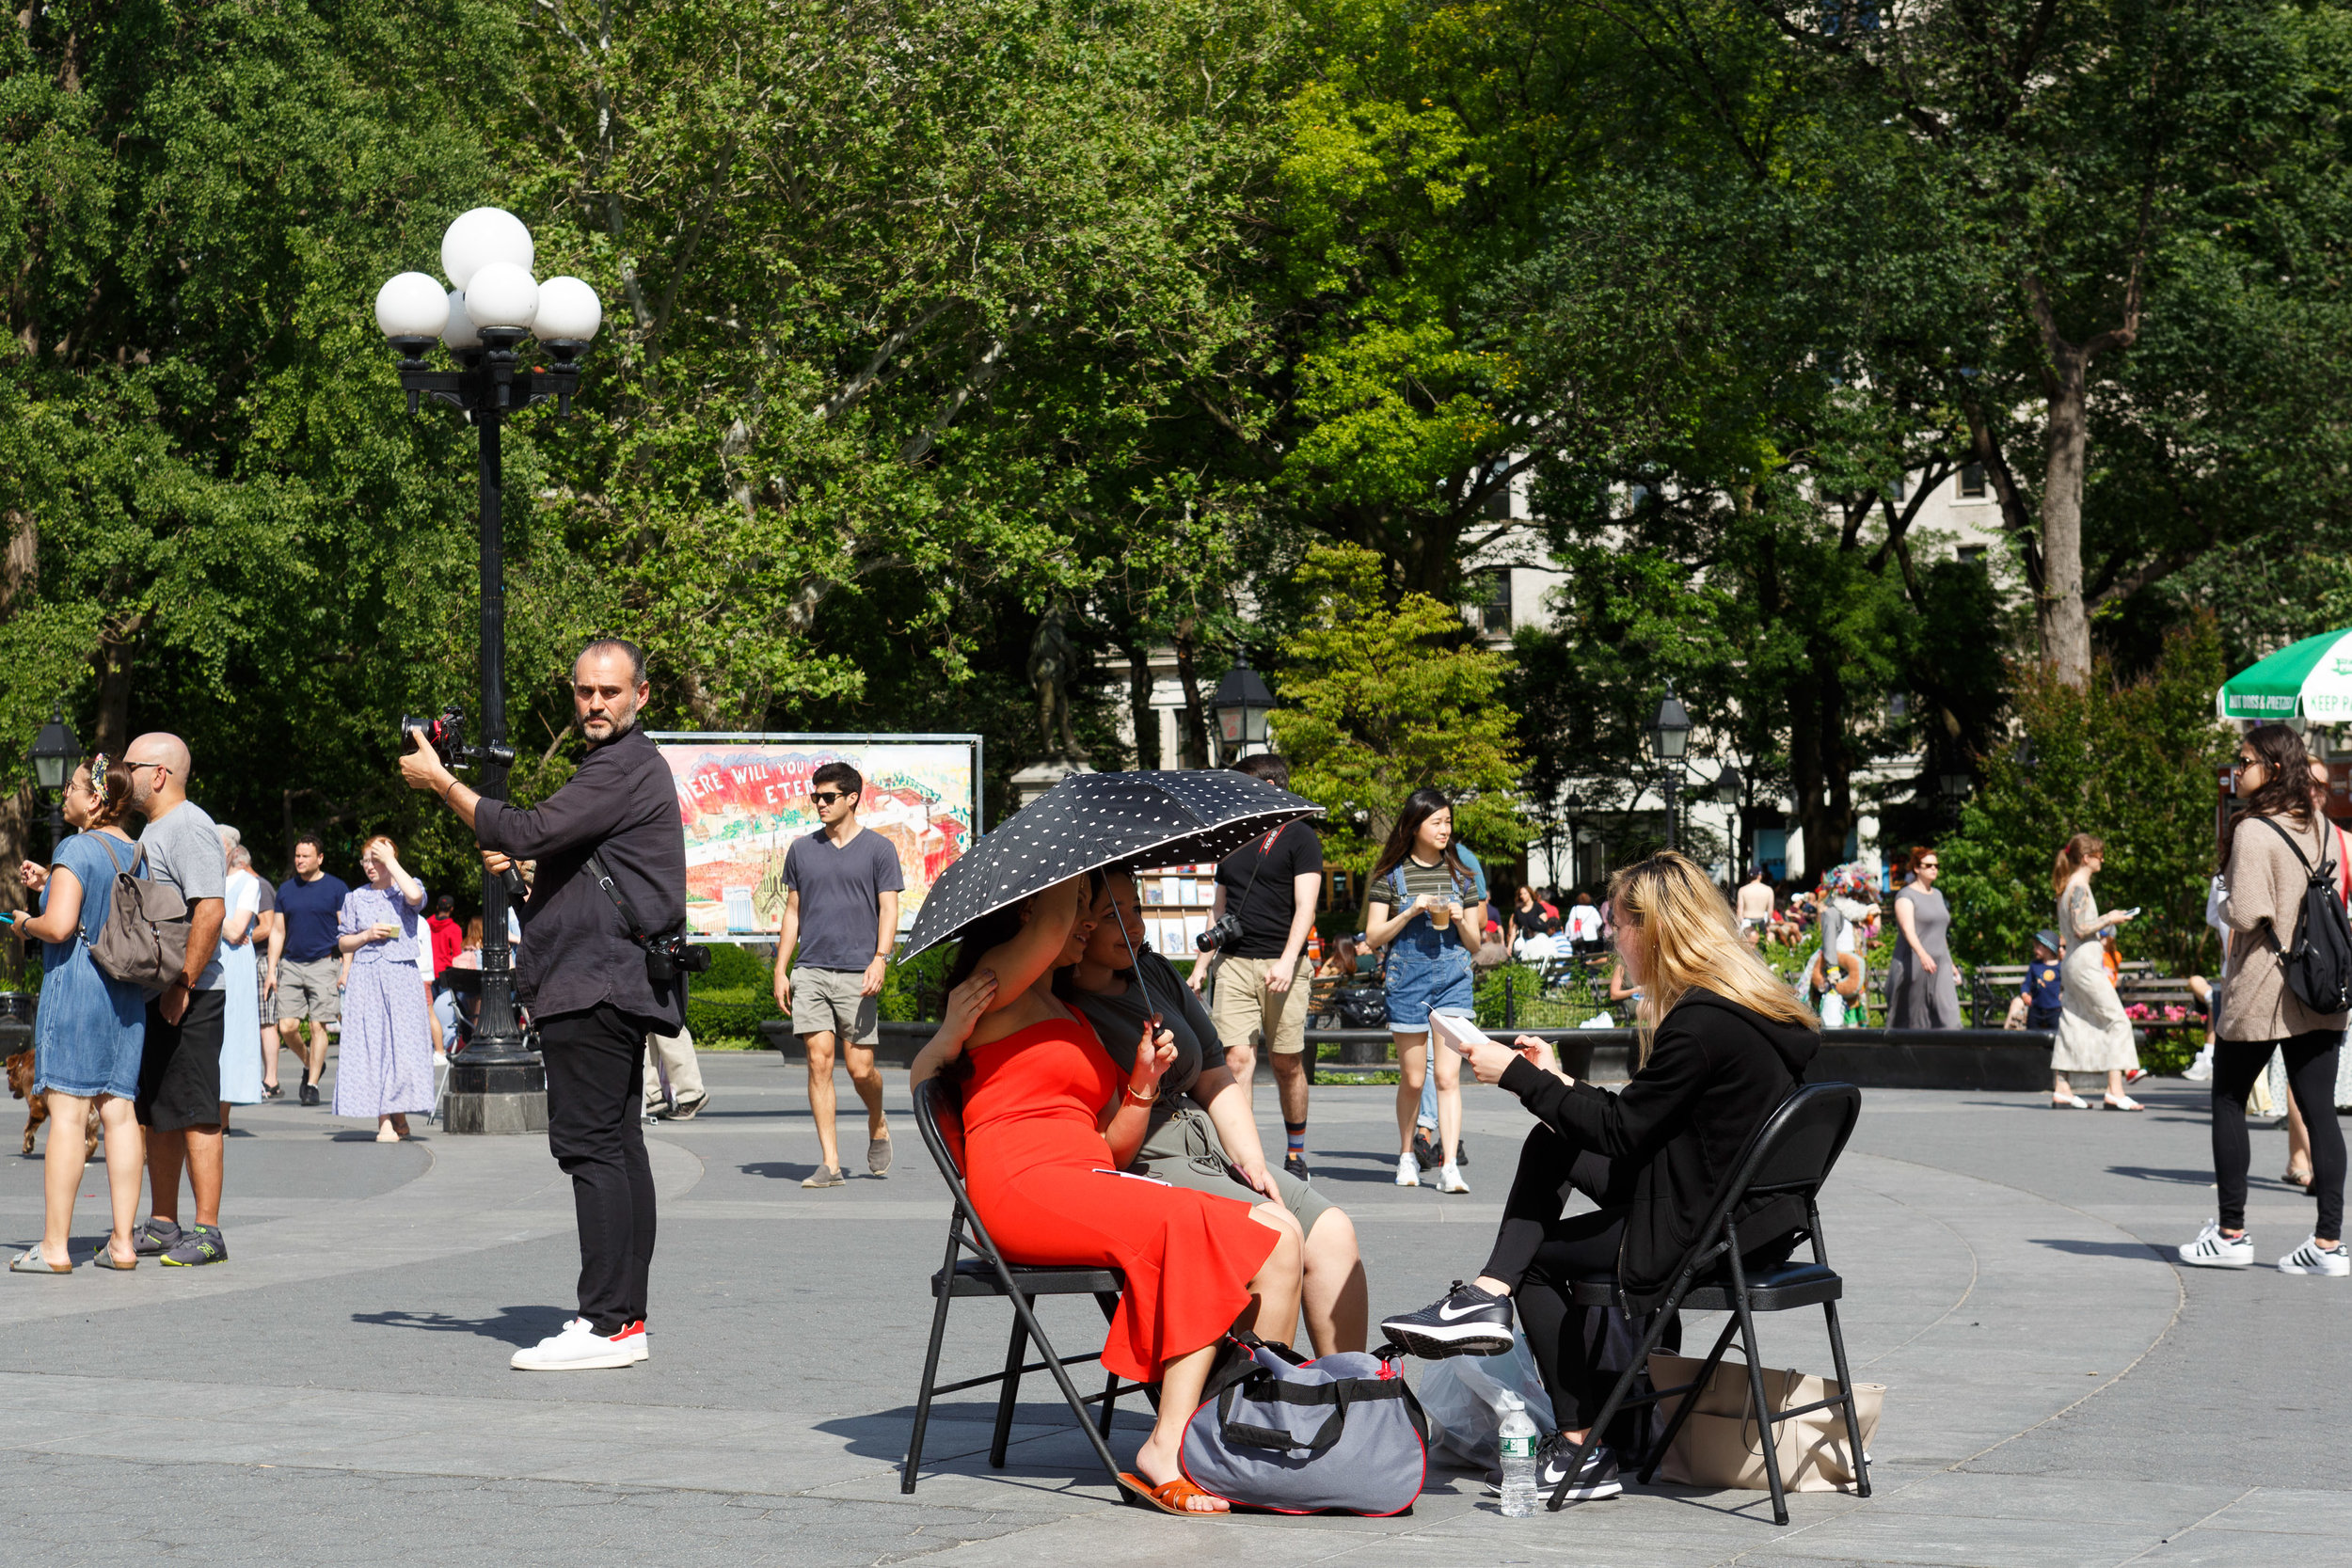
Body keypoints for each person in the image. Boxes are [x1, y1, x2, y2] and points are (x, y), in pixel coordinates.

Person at [1377, 850, 1820, 1501]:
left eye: (1620, 924)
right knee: (1551, 1137)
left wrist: (1521, 1076)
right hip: (1751, 1218)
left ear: (1657, 928)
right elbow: (1643, 1120)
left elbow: (1622, 1131)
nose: (1614, 937)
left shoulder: (1699, 1024)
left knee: (1541, 1265)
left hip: (1698, 1229)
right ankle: (1487, 1292)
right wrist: (1557, 1081)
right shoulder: (1755, 1011)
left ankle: (1580, 1442)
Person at [909, 871, 1301, 1516]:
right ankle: (1166, 1447)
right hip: (1023, 1185)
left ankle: (1237, 1430)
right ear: (1040, 906)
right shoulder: (994, 981)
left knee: (1273, 1236)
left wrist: (1143, 1084)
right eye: (1086, 913)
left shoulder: (1067, 1011)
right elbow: (1051, 923)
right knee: (1186, 1221)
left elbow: (1113, 1144)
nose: (1089, 927)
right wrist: (1072, 872)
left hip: (1088, 1176)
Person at [402, 638, 689, 1369]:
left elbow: (527, 828)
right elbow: (572, 868)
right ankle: (624, 1318)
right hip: (606, 976)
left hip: (595, 983)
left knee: (592, 1146)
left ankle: (607, 1324)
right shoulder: (616, 768)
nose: (596, 703)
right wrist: (531, 879)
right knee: (618, 1146)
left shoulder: (623, 766)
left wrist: (442, 783)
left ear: (641, 696)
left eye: (611, 692)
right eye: (585, 691)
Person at [1066, 870, 1367, 1353]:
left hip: (1209, 1144)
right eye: (1111, 915)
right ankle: (1261, 1410)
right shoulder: (1063, 1005)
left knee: (1331, 1230)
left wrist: (1249, 1159)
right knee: (1277, 1233)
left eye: (1136, 909)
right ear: (1077, 923)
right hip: (1150, 1159)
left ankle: (1351, 1396)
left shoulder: (1155, 973)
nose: (1132, 926)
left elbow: (1214, 1074)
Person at [2179, 724, 2347, 1275]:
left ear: (2272, 767)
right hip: (2320, 982)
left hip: (2264, 984)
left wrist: (2223, 900)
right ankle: (2327, 1244)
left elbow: (2248, 913)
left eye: (2245, 758)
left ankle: (2231, 1233)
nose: (2238, 767)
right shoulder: (2324, 826)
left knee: (2228, 1096)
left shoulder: (2253, 829)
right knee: (2321, 1112)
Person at [9, 758, 148, 1274]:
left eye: (71, 786)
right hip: (127, 995)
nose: (63, 793)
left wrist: (26, 922)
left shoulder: (74, 847)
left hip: (79, 989)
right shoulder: (134, 851)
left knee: (68, 1115)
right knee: (119, 1113)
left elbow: (62, 926)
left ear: (94, 799)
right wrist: (52, 882)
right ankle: (122, 1244)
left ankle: (54, 1246)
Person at [121, 733, 231, 1267]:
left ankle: (209, 1231)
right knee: (158, 1113)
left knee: (197, 1112)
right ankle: (164, 1223)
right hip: (159, 991)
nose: (122, 773)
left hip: (192, 993)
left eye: (131, 765)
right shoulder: (153, 829)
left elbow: (210, 908)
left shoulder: (189, 826)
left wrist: (182, 983)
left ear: (159, 774)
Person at [771, 759, 903, 1188]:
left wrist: (881, 957)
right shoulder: (802, 849)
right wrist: (781, 967)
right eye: (815, 797)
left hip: (857, 971)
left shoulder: (879, 850)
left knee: (860, 1068)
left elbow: (889, 907)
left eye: (828, 797)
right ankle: (830, 1163)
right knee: (818, 1062)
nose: (820, 804)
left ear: (852, 799)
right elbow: (793, 912)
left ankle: (877, 1119)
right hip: (810, 969)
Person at [1194, 753, 1324, 1178]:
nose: (1234, 794)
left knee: (1287, 1064)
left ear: (1268, 787)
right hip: (1234, 963)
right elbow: (1219, 910)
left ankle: (1296, 1152)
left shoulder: (1302, 837)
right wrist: (1200, 966)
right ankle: (1244, 1160)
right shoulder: (1232, 838)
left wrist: (1288, 961)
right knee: (1236, 1060)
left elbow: (1306, 907)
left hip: (1283, 965)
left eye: (1241, 785)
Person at [1364, 787, 1486, 1194]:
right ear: (1415, 826)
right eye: (1437, 822)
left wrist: (1459, 919)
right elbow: (1373, 935)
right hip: (1407, 981)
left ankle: (1450, 1165)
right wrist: (1411, 910)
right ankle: (1405, 1155)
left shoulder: (1461, 875)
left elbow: (1475, 943)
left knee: (1448, 1078)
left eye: (1448, 821)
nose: (1445, 829)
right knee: (1415, 1079)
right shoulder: (1389, 877)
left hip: (1452, 979)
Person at [333, 836, 433, 1142]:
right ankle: (385, 1121)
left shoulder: (405, 887)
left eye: (375, 859)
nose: (369, 866)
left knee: (401, 1045)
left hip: (401, 976)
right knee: (373, 1045)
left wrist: (390, 861)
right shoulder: (355, 897)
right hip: (366, 975)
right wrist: (365, 935)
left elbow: (416, 897)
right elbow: (342, 941)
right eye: (366, 860)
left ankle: (398, 1111)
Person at [2049, 833, 2143, 1111]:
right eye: (2099, 855)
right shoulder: (2078, 887)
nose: (2102, 860)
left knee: (2073, 1021)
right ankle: (2115, 1090)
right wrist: (2110, 917)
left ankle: (2062, 1088)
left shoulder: (2068, 886)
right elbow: (2080, 928)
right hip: (2085, 963)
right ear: (2087, 858)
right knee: (2117, 1020)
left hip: (2074, 964)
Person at [274, 833, 350, 1106]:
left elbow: (347, 931)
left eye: (305, 856)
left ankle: (313, 1084)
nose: (300, 860)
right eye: (297, 855)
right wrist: (272, 969)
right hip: (292, 964)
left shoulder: (336, 888)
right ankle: (310, 1062)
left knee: (319, 1025)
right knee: (287, 1027)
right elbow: (277, 931)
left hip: (323, 962)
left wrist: (346, 968)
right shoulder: (285, 890)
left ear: (320, 858)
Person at [216, 837, 266, 1125]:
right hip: (208, 957)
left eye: (221, 845)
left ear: (233, 851)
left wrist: (205, 909)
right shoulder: (203, 879)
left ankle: (222, 1116)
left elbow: (236, 932)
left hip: (233, 963)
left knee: (232, 1033)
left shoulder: (248, 883)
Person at [1887, 844, 1961, 1029]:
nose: (1934, 869)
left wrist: (1950, 963)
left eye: (1936, 865)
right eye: (1928, 865)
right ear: (1916, 868)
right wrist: (1922, 955)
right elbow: (1907, 930)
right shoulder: (1906, 896)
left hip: (1940, 962)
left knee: (1950, 1017)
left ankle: (1956, 1054)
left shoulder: (1938, 895)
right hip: (1915, 962)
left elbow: (1940, 932)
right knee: (1914, 1020)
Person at [251, 855, 284, 1097]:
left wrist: (234, 938)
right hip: (247, 961)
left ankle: (271, 1080)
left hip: (262, 960)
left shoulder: (259, 885)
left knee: (266, 1020)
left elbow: (269, 925)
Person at [426, 894, 465, 1047]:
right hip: (445, 974)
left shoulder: (427, 924)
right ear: (452, 909)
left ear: (437, 908)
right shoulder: (454, 929)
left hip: (429, 972)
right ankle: (443, 1045)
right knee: (444, 1014)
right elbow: (457, 955)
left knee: (429, 1013)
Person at [2023, 932, 2063, 1030]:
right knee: (2031, 1036)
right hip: (2036, 1008)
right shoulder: (2035, 965)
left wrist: (2064, 993)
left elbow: (2067, 985)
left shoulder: (2060, 967)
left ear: (2048, 948)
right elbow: (2027, 983)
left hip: (2055, 1010)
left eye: (2037, 947)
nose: (2034, 950)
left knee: (2055, 1037)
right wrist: (2024, 994)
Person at [1509, 885, 1557, 963]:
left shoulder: (1538, 907)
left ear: (1530, 894)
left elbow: (1543, 924)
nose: (1522, 896)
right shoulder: (1518, 911)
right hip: (1522, 942)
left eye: (1525, 893)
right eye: (1521, 894)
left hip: (1536, 941)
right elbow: (1514, 929)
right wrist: (1510, 945)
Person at [1734, 866, 1773, 932]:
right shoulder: (1768, 890)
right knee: (1761, 942)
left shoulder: (1742, 890)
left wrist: (1740, 925)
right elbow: (1770, 911)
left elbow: (1739, 911)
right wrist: (1768, 924)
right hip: (1761, 922)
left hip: (1747, 923)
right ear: (1760, 876)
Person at [1564, 892, 1603, 956]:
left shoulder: (1575, 909)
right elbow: (1599, 922)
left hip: (1578, 936)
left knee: (1579, 955)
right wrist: (1593, 928)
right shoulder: (1592, 909)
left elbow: (1571, 923)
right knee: (1589, 954)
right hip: (1591, 936)